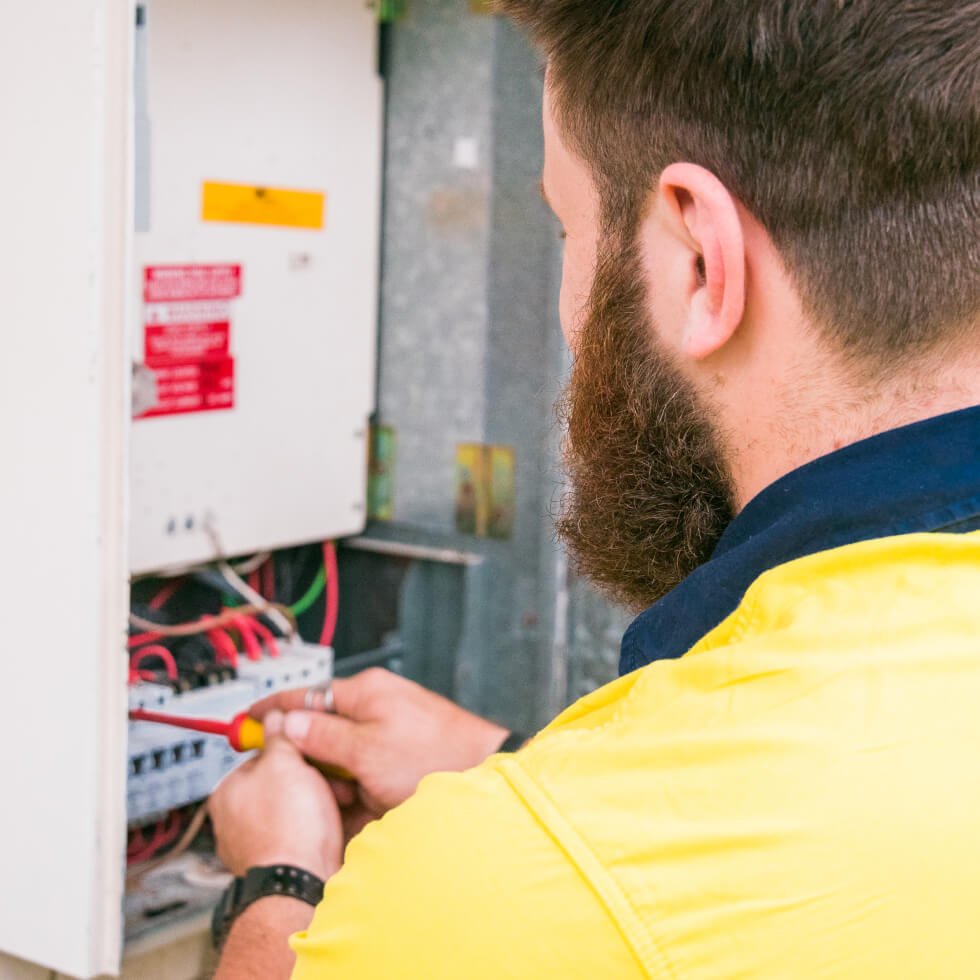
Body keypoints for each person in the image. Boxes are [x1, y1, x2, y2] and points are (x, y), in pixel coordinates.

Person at [209, 0, 980, 975]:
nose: (569, 309)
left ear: (701, 261)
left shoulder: (485, 896)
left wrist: (274, 882)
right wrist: (513, 762)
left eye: (565, 226)